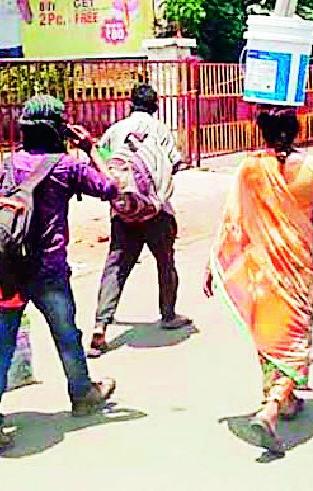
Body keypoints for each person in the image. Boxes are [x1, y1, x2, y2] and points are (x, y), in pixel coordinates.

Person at [203, 107, 313, 452]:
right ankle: (272, 406)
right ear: (296, 129)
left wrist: (215, 260)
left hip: (260, 268)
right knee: (296, 336)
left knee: (270, 332)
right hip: (297, 268)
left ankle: (282, 398)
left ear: (263, 131)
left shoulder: (250, 168)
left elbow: (232, 221)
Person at [0, 95, 118, 450]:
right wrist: (92, 148)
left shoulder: (8, 164)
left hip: (9, 270)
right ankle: (82, 393)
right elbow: (111, 187)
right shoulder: (68, 167)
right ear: (58, 129)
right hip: (49, 270)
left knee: (2, 344)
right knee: (66, 335)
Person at [88, 84, 190, 358]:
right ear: (155, 106)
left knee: (116, 266)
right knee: (165, 262)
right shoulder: (160, 130)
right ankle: (168, 314)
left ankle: (100, 326)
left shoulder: (115, 130)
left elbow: (101, 162)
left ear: (130, 104)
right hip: (157, 211)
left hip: (123, 212)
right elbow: (175, 164)